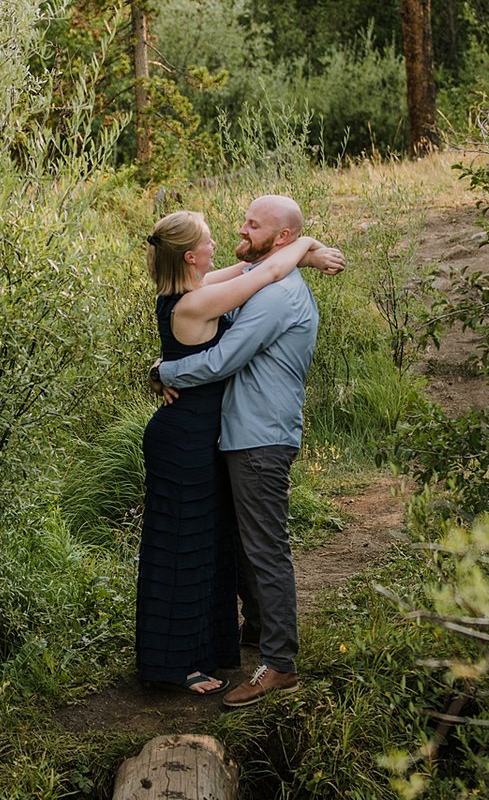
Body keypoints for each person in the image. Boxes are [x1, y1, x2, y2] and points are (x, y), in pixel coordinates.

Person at [136, 209, 342, 695]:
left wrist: (163, 371)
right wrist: (306, 247)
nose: (237, 233)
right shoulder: (201, 296)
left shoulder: (264, 292)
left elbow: (254, 288)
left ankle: (269, 655)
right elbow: (260, 270)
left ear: (280, 236)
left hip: (245, 436)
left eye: (251, 224)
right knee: (191, 547)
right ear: (191, 257)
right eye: (218, 234)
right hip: (196, 437)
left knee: (239, 546)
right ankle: (187, 655)